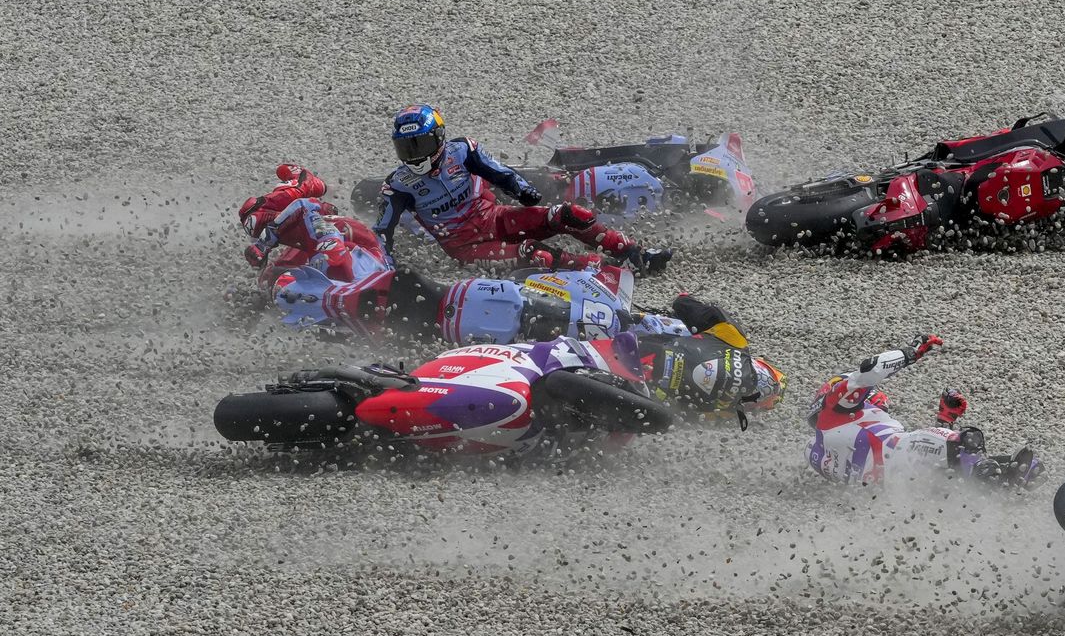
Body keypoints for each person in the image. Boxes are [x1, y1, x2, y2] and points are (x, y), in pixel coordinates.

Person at [374, 104, 673, 272]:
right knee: (533, 254)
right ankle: (598, 269)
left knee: (568, 214)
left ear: (439, 138)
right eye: (406, 147)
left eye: (421, 144)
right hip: (467, 248)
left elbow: (501, 172)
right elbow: (382, 235)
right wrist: (387, 269)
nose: (416, 154)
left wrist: (523, 191)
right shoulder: (397, 185)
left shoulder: (463, 150)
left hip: (496, 217)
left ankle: (635, 253)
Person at [806, 335, 1039, 485]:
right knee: (969, 439)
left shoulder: (824, 443)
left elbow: (933, 458)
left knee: (960, 462)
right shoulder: (835, 413)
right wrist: (912, 351)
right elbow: (869, 371)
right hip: (900, 461)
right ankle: (998, 474)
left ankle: (1001, 480)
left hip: (900, 490)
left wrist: (945, 420)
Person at [598, 294, 785, 422]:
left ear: (760, 363)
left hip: (633, 349)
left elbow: (682, 304)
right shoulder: (725, 414)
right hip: (634, 396)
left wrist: (685, 298)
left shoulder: (736, 340)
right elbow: (682, 418)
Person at [238, 164, 390, 288]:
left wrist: (263, 244)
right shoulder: (298, 241)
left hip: (355, 245)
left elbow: (304, 206)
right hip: (367, 256)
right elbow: (275, 274)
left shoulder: (304, 218)